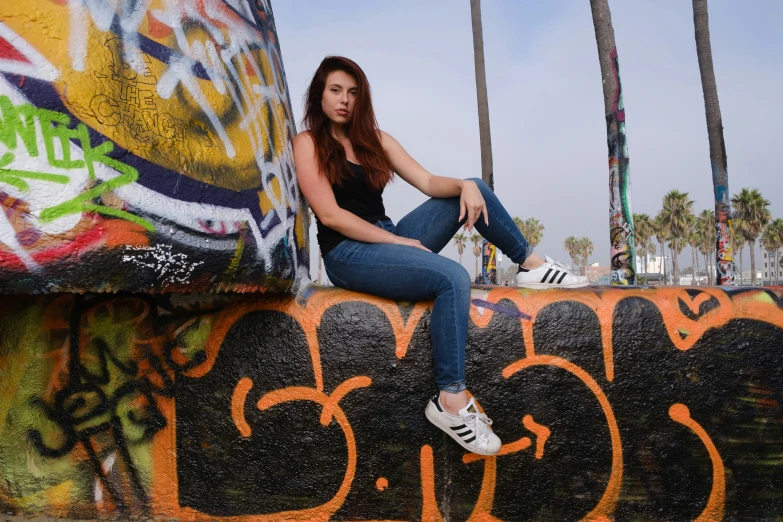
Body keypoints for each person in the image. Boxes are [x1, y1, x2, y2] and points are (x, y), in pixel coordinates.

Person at [293, 56, 588, 456]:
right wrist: (396, 244)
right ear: (320, 94)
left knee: (475, 188)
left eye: (352, 92)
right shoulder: (307, 143)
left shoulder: (376, 140)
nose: (344, 100)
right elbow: (330, 215)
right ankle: (450, 400)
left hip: (389, 236)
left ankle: (529, 265)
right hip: (349, 253)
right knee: (452, 277)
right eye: (335, 90)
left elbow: (429, 182)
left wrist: (464, 184)